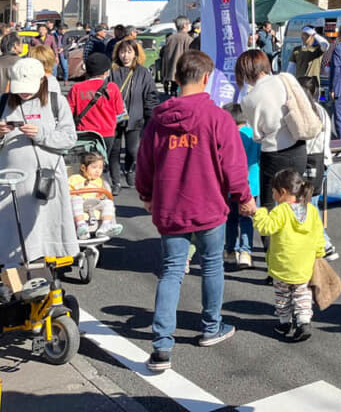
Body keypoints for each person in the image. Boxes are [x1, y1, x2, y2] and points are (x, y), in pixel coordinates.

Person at [135, 50, 256, 373]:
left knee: (172, 270)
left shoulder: (159, 119)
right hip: (209, 205)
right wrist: (243, 197)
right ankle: (210, 326)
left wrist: (146, 194)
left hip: (170, 205)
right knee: (212, 264)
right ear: (206, 78)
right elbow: (234, 164)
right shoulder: (217, 117)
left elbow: (144, 162)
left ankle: (161, 345)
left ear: (176, 79)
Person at [0, 58, 79, 322]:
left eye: (28, 86)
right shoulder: (2, 102)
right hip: (10, 183)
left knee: (44, 239)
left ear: (41, 81)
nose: (23, 92)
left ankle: (42, 299)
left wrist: (40, 134)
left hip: (46, 185)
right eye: (19, 86)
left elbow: (69, 138)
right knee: (0, 241)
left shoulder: (55, 101)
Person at [235, 49, 312, 214]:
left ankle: (272, 240)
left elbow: (257, 134)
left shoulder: (248, 100)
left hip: (273, 153)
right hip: (298, 146)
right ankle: (298, 237)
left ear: (245, 72)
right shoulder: (286, 78)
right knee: (296, 201)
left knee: (269, 206)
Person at [252, 168, 325, 342]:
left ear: (282, 192)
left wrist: (259, 212)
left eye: (273, 192)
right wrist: (319, 253)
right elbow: (318, 235)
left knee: (283, 296)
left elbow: (265, 227)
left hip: (282, 266)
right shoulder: (312, 211)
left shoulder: (281, 211)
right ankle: (303, 321)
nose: (272, 195)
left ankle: (285, 322)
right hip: (304, 266)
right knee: (303, 294)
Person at [110, 40, 158, 193]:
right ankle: (115, 182)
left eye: (129, 52)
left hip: (135, 117)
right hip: (114, 118)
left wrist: (151, 116)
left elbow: (151, 96)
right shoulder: (112, 71)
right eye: (122, 52)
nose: (125, 55)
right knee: (114, 150)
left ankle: (130, 169)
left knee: (133, 150)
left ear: (136, 54)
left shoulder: (143, 72)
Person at [299, 74, 337, 261]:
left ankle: (324, 242)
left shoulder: (308, 112)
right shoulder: (321, 110)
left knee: (309, 206)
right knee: (311, 205)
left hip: (311, 161)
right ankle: (320, 241)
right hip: (323, 161)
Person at [222, 103, 260, 269]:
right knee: (247, 218)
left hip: (231, 185)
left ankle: (230, 251)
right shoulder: (254, 136)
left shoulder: (228, 136)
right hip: (253, 185)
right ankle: (246, 252)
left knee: (230, 220)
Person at [67, 53, 126, 144]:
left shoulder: (76, 88)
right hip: (107, 133)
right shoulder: (112, 87)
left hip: (84, 133)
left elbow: (68, 113)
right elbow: (119, 112)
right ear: (106, 72)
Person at [69, 152, 123, 238]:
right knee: (76, 199)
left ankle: (105, 226)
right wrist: (76, 194)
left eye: (100, 168)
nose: (98, 171)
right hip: (81, 203)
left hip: (94, 203)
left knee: (108, 203)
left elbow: (102, 194)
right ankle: (81, 225)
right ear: (83, 168)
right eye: (94, 167)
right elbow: (68, 192)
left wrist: (101, 195)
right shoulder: (74, 179)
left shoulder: (100, 181)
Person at [290, 26, 328, 97]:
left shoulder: (318, 49)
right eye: (302, 34)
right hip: (299, 86)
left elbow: (326, 45)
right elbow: (290, 69)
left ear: (312, 36)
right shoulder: (296, 49)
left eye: (306, 34)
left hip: (314, 86)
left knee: (314, 106)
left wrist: (314, 34)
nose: (303, 36)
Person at [160, 17, 193, 96]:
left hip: (170, 69)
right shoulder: (188, 39)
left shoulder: (170, 38)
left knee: (172, 92)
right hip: (182, 70)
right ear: (185, 25)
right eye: (188, 24)